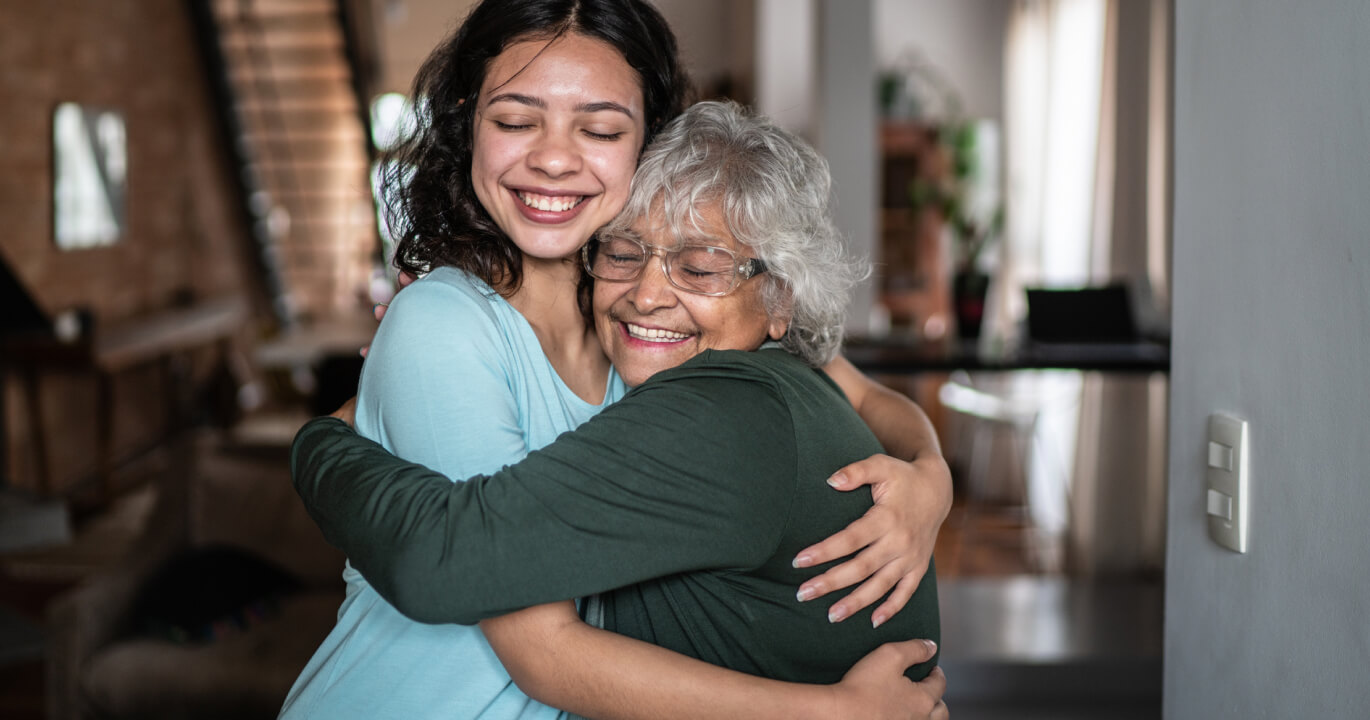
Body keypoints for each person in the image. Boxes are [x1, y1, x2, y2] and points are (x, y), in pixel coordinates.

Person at [278, 1, 951, 717]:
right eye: (513, 120)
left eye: (598, 128)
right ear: (467, 124)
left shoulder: (649, 343)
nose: (555, 157)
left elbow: (856, 390)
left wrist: (930, 476)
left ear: (647, 147)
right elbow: (528, 636)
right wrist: (319, 441)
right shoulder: (460, 322)